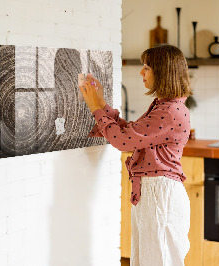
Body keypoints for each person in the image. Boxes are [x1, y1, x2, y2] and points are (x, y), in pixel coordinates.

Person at [79, 44, 192, 266]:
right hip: (154, 193)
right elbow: (132, 133)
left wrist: (95, 108)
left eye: (147, 67)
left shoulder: (169, 111)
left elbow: (123, 141)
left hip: (160, 195)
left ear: (163, 71)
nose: (141, 72)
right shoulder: (165, 106)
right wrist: (101, 103)